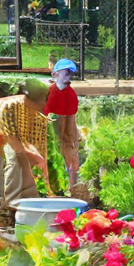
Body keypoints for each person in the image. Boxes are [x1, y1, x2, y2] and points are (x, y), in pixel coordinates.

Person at [0, 79, 50, 208]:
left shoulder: (39, 113)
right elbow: (11, 139)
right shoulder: (10, 106)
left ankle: (22, 202)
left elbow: (35, 140)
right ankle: (3, 206)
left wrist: (38, 158)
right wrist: (32, 155)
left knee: (24, 163)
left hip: (18, 142)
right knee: (12, 161)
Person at [43, 58, 80, 187]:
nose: (68, 75)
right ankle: (51, 187)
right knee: (52, 156)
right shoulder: (49, 92)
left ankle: (73, 187)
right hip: (51, 130)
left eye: (70, 73)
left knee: (71, 156)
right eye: (66, 72)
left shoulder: (71, 94)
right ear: (55, 74)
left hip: (68, 131)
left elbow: (72, 118)